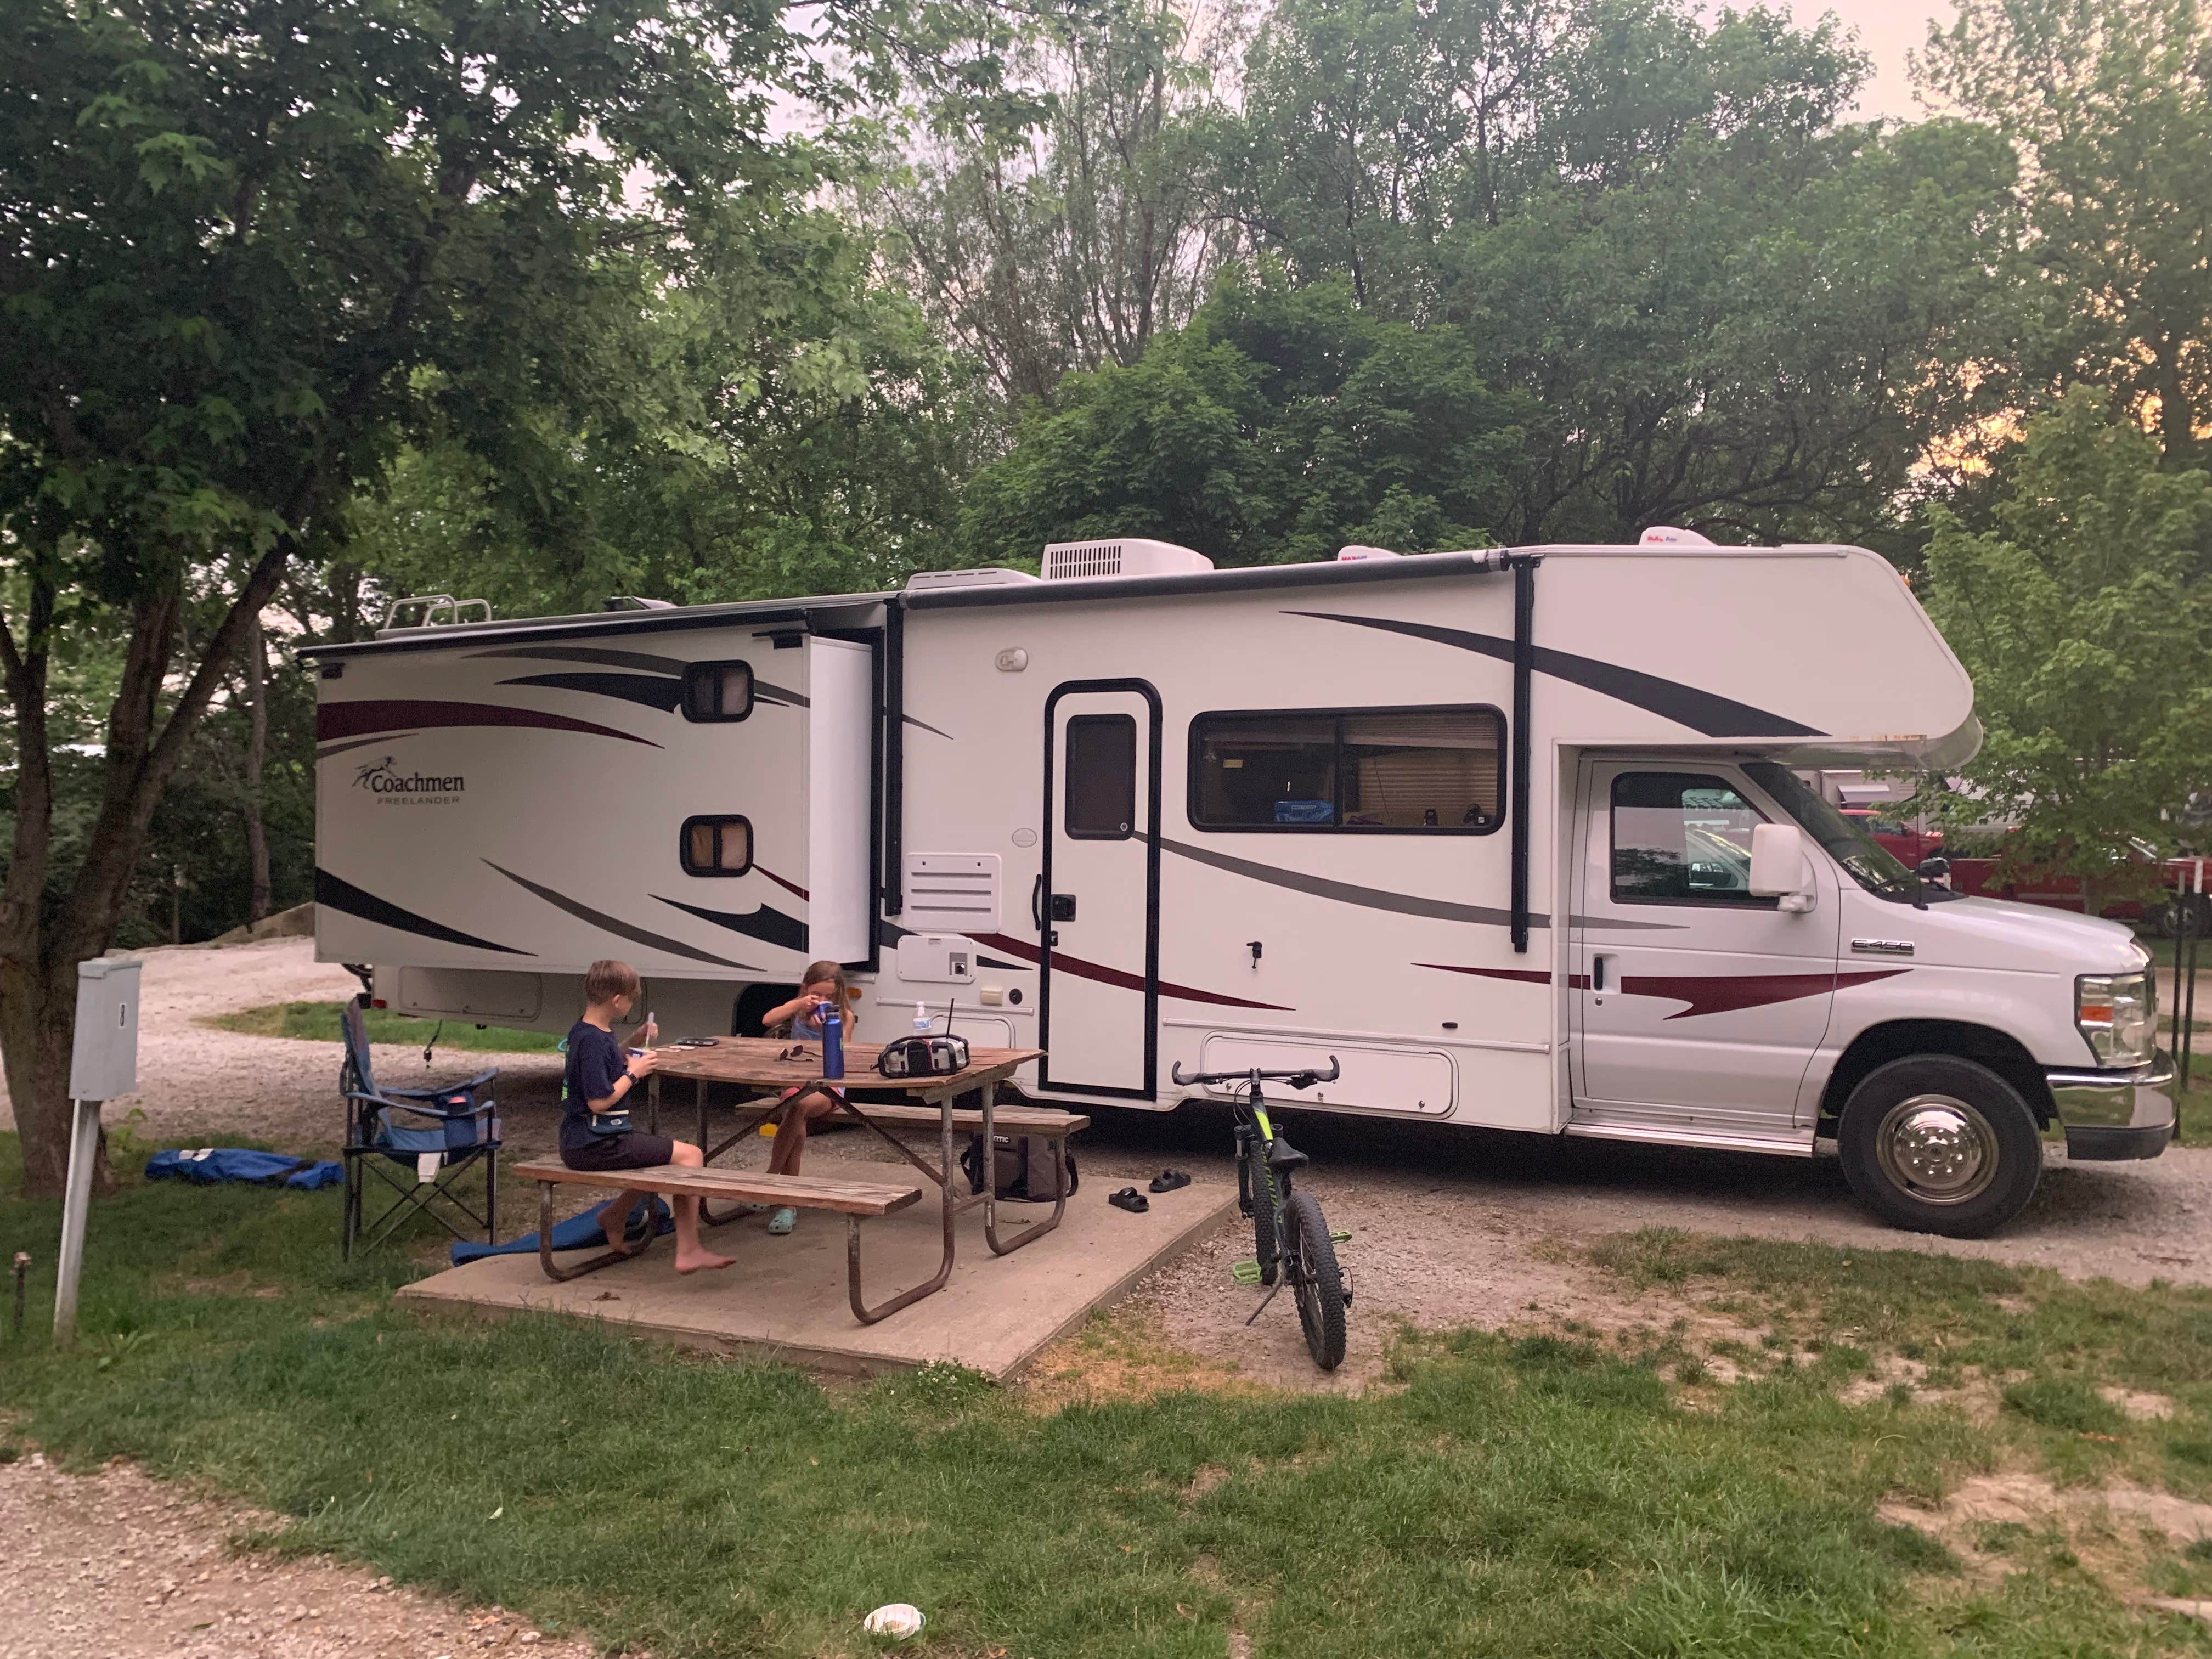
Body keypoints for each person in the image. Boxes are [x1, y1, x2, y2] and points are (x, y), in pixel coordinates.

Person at [560, 958, 733, 1274]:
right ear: (617, 1000)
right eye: (630, 1001)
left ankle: (615, 1216)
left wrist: (637, 1039)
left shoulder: (591, 1030)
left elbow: (607, 1061)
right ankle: (689, 1250)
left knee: (665, 1157)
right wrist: (634, 1073)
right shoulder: (592, 1041)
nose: (631, 1006)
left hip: (590, 1138)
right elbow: (599, 1101)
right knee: (691, 1156)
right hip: (594, 1143)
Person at [754, 961, 860, 1235]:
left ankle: (770, 1179)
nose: (823, 1001)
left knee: (797, 1105)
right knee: (795, 1110)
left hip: (829, 1086)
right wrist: (798, 1005)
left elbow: (843, 1050)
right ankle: (788, 1204)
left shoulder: (844, 1015)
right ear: (806, 989)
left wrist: (827, 1027)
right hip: (795, 1081)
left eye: (829, 996)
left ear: (838, 994)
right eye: (817, 995)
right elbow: (767, 1020)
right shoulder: (798, 1009)